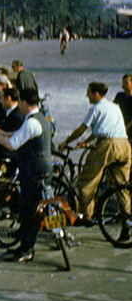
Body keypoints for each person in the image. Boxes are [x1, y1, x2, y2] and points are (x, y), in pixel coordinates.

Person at [0, 89, 52, 263]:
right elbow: (15, 135)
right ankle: (23, 245)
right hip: (35, 169)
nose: (19, 105)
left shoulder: (32, 123)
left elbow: (12, 144)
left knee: (28, 210)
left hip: (34, 171)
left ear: (25, 103)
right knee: (25, 208)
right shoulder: (36, 118)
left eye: (20, 102)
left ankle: (27, 249)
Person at [57, 82, 131, 224]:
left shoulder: (95, 109)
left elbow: (81, 129)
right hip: (124, 144)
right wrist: (87, 142)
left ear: (96, 94)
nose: (86, 95)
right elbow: (103, 127)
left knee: (86, 181)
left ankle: (86, 216)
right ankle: (126, 222)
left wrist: (65, 142)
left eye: (88, 92)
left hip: (107, 146)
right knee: (121, 186)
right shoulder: (114, 107)